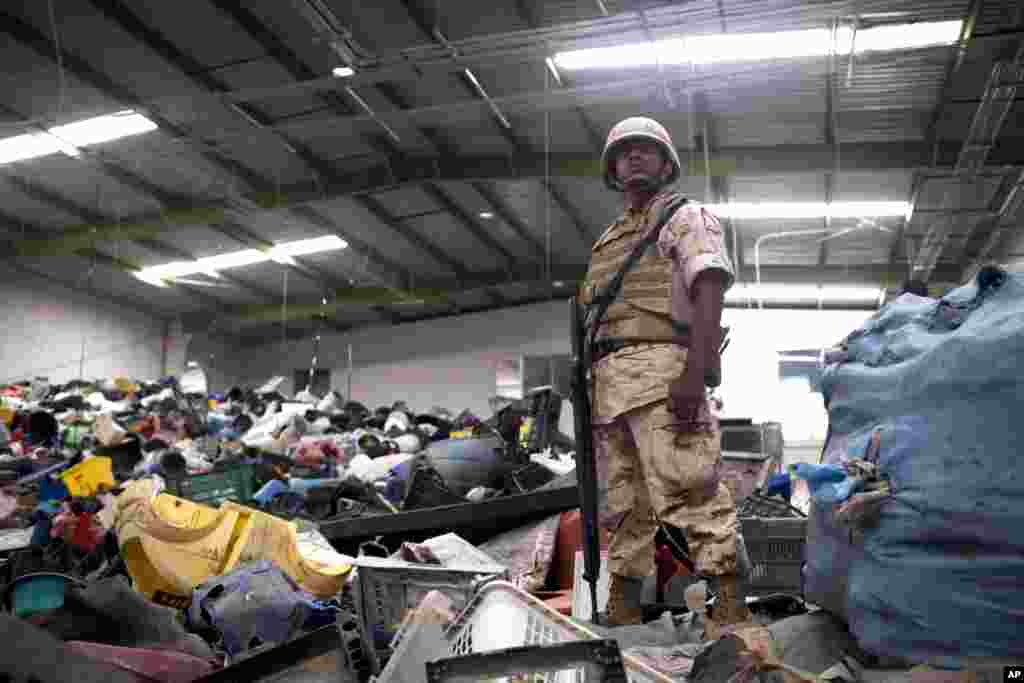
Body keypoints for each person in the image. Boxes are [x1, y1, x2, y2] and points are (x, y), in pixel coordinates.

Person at [579, 117, 750, 630]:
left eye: (646, 149)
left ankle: (730, 611)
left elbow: (709, 287)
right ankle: (624, 609)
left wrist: (695, 373)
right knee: (625, 510)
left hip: (663, 375)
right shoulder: (608, 239)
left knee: (692, 492)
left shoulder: (685, 215)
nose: (634, 157)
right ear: (612, 167)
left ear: (666, 163)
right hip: (610, 387)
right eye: (624, 150)